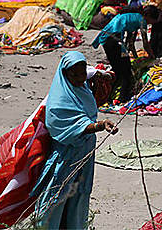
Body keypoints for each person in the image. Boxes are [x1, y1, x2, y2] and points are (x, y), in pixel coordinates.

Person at [32, 51, 118, 229]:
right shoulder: (59, 101)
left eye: (82, 73)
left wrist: (103, 75)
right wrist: (99, 125)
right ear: (65, 73)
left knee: (80, 194)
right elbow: (70, 126)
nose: (80, 78)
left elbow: (92, 73)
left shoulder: (81, 86)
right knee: (56, 196)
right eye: (75, 74)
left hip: (84, 153)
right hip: (66, 157)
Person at [92, 11, 155, 102]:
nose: (150, 23)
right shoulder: (142, 21)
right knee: (127, 73)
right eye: (152, 21)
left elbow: (130, 44)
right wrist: (152, 56)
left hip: (107, 41)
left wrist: (135, 57)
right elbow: (145, 43)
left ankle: (107, 97)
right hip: (115, 41)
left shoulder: (133, 18)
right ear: (148, 16)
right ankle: (122, 99)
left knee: (117, 71)